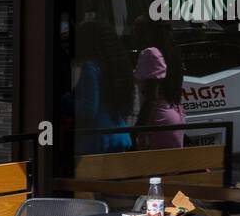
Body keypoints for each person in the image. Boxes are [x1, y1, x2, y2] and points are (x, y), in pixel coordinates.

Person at [74, 19, 134, 154]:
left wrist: (66, 100)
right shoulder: (117, 66)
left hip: (97, 140)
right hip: (119, 135)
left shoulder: (90, 67)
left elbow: (88, 110)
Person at [132, 18, 187, 149]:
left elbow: (152, 97)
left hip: (158, 119)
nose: (133, 34)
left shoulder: (150, 53)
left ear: (147, 33)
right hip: (175, 114)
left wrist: (138, 129)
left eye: (136, 30)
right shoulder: (168, 52)